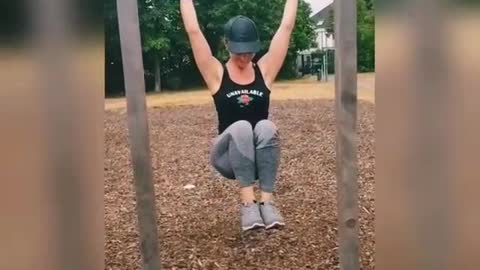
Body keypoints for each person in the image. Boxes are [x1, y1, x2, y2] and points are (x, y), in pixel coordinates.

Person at [180, 0, 298, 232]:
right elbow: (193, 30)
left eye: (250, 51)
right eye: (239, 52)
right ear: (227, 45)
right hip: (227, 157)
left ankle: (266, 203)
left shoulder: (264, 70)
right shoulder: (216, 73)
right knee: (242, 126)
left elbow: (285, 28)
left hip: (258, 158)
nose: (245, 57)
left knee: (266, 126)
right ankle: (248, 204)